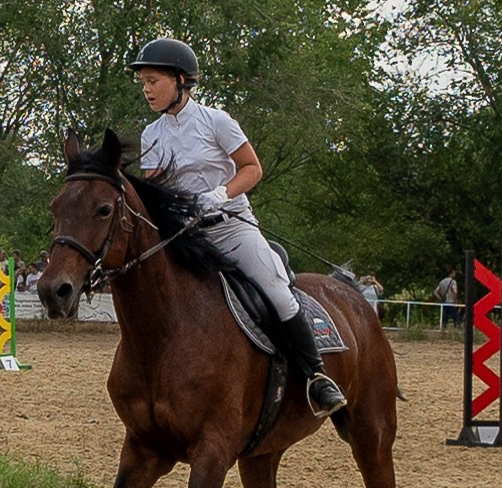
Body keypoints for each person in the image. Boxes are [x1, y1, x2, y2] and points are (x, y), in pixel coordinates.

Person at [130, 36, 345, 415]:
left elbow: (252, 168)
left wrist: (220, 194)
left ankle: (316, 377)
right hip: (186, 236)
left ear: (181, 80)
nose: (147, 89)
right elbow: (156, 189)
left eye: (153, 81)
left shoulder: (216, 122)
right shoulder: (152, 135)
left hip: (230, 227)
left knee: (276, 291)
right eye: (143, 82)